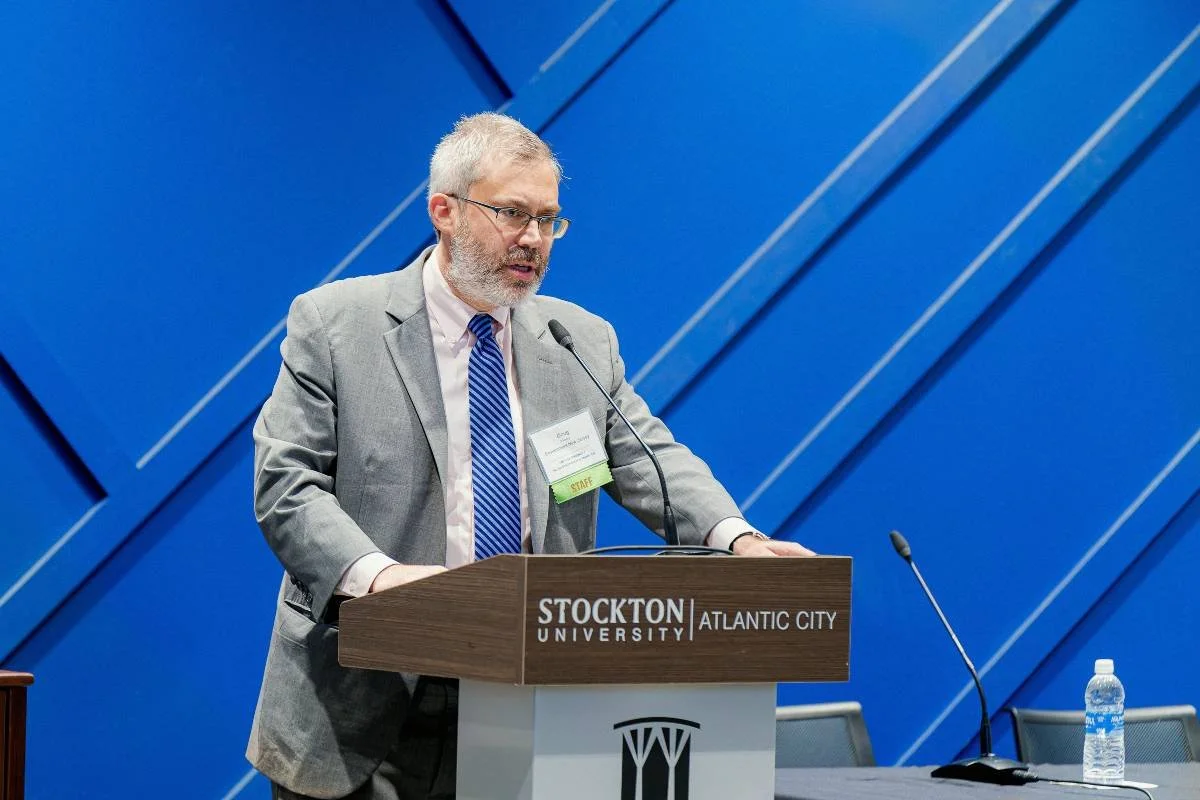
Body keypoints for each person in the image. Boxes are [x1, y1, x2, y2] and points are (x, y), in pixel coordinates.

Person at [247, 112, 814, 800]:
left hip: (528, 699)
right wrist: (383, 580)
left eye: (549, 220)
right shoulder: (337, 324)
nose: (533, 240)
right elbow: (287, 486)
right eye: (513, 214)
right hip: (364, 698)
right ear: (444, 212)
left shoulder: (579, 340)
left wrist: (739, 540)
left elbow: (651, 460)